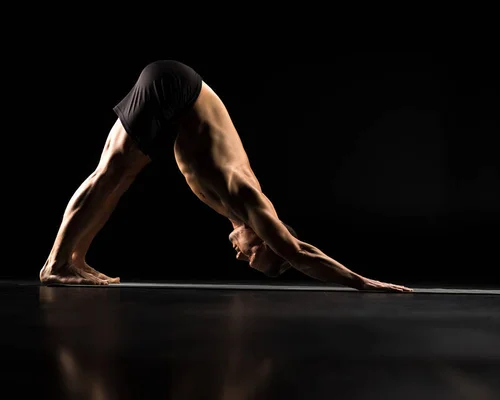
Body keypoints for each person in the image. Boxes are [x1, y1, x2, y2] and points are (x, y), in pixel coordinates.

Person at [39, 60, 412, 292]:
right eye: (252, 256)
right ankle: (56, 264)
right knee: (109, 173)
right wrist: (362, 282)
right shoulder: (248, 198)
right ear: (265, 239)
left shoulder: (234, 207)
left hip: (178, 91)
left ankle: (76, 260)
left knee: (119, 179)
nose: (239, 257)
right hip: (175, 85)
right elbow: (300, 253)